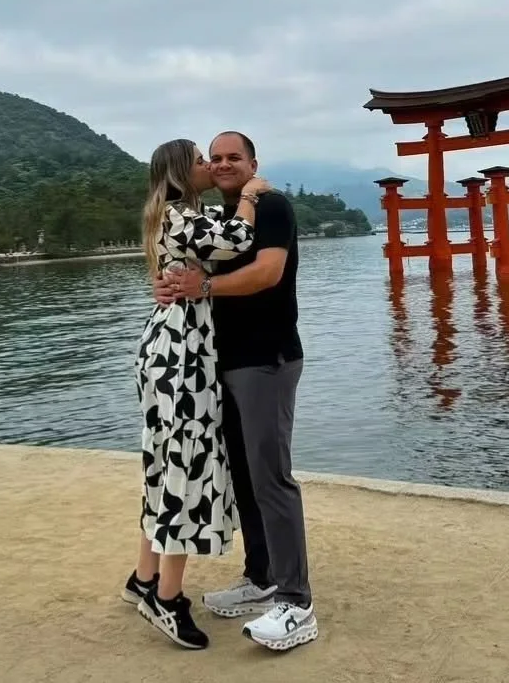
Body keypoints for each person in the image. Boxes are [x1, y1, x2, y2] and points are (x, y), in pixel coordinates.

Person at [155, 131, 318, 652]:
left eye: (233, 158)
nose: (223, 164)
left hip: (265, 360)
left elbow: (267, 273)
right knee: (243, 476)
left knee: (272, 477)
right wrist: (172, 284)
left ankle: (297, 601)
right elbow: (189, 270)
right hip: (220, 363)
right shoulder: (219, 219)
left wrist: (202, 286)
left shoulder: (270, 206)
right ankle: (262, 575)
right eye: (215, 157)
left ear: (253, 163)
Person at [124, 137, 270, 651]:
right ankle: (167, 597)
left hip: (169, 349)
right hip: (181, 358)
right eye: (202, 160)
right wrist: (251, 193)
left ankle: (144, 577)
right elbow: (237, 241)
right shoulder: (182, 214)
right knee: (187, 467)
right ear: (182, 172)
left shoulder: (175, 213)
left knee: (165, 464)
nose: (212, 166)